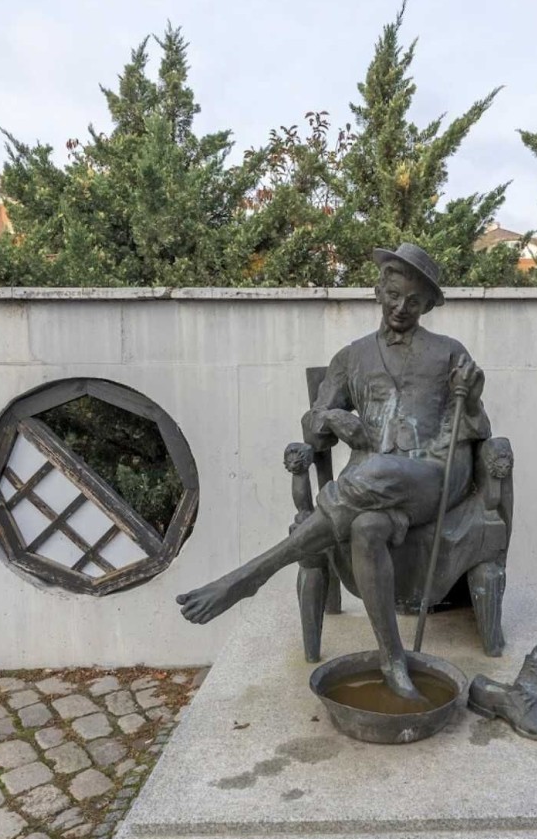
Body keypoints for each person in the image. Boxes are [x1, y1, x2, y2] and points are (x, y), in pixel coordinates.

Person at [177, 243, 490, 701]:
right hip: (370, 489)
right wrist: (332, 418)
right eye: (394, 295)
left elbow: (476, 424)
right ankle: (393, 660)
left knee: (378, 470)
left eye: (414, 301)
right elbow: (313, 424)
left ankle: (253, 574)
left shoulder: (448, 353)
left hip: (434, 475)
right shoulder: (351, 357)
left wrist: (472, 394)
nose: (401, 308)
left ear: (426, 306)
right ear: (378, 291)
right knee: (366, 528)